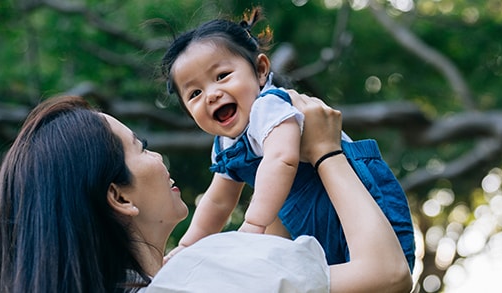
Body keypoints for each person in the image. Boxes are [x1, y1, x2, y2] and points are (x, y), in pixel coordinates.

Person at [0, 92, 412, 293]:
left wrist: (277, 158)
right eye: (140, 148)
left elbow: (280, 257)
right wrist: (326, 152)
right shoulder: (205, 274)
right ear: (120, 198)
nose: (158, 156)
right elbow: (388, 275)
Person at [160, 6, 415, 270]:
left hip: (363, 196)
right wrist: (188, 246)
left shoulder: (269, 107)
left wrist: (254, 224)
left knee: (375, 270)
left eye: (222, 76)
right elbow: (218, 200)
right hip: (311, 219)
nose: (211, 94)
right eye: (195, 93)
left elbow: (281, 159)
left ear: (260, 71)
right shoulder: (226, 145)